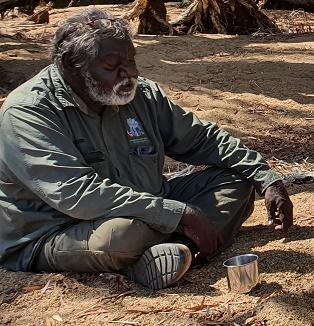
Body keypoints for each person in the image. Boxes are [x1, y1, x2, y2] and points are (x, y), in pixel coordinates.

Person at [0, 9, 293, 290]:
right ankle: (167, 250)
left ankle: (178, 252)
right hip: (59, 230)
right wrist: (177, 213)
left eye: (131, 61)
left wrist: (266, 178)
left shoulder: (142, 95)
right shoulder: (29, 112)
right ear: (70, 65)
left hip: (146, 207)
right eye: (112, 66)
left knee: (236, 182)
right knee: (122, 236)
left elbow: (203, 138)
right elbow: (77, 195)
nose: (129, 74)